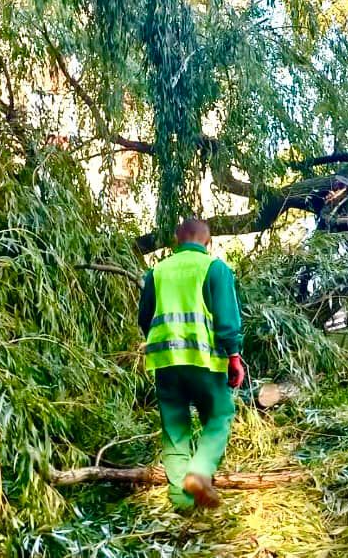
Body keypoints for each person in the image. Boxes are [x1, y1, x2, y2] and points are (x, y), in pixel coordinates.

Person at [138, 218, 244, 510]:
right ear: (207, 242)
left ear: (176, 240)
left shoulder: (156, 271)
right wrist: (234, 356)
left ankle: (181, 503)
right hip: (204, 359)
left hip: (165, 361)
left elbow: (144, 318)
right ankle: (199, 473)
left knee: (175, 428)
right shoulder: (214, 268)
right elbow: (226, 319)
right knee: (219, 416)